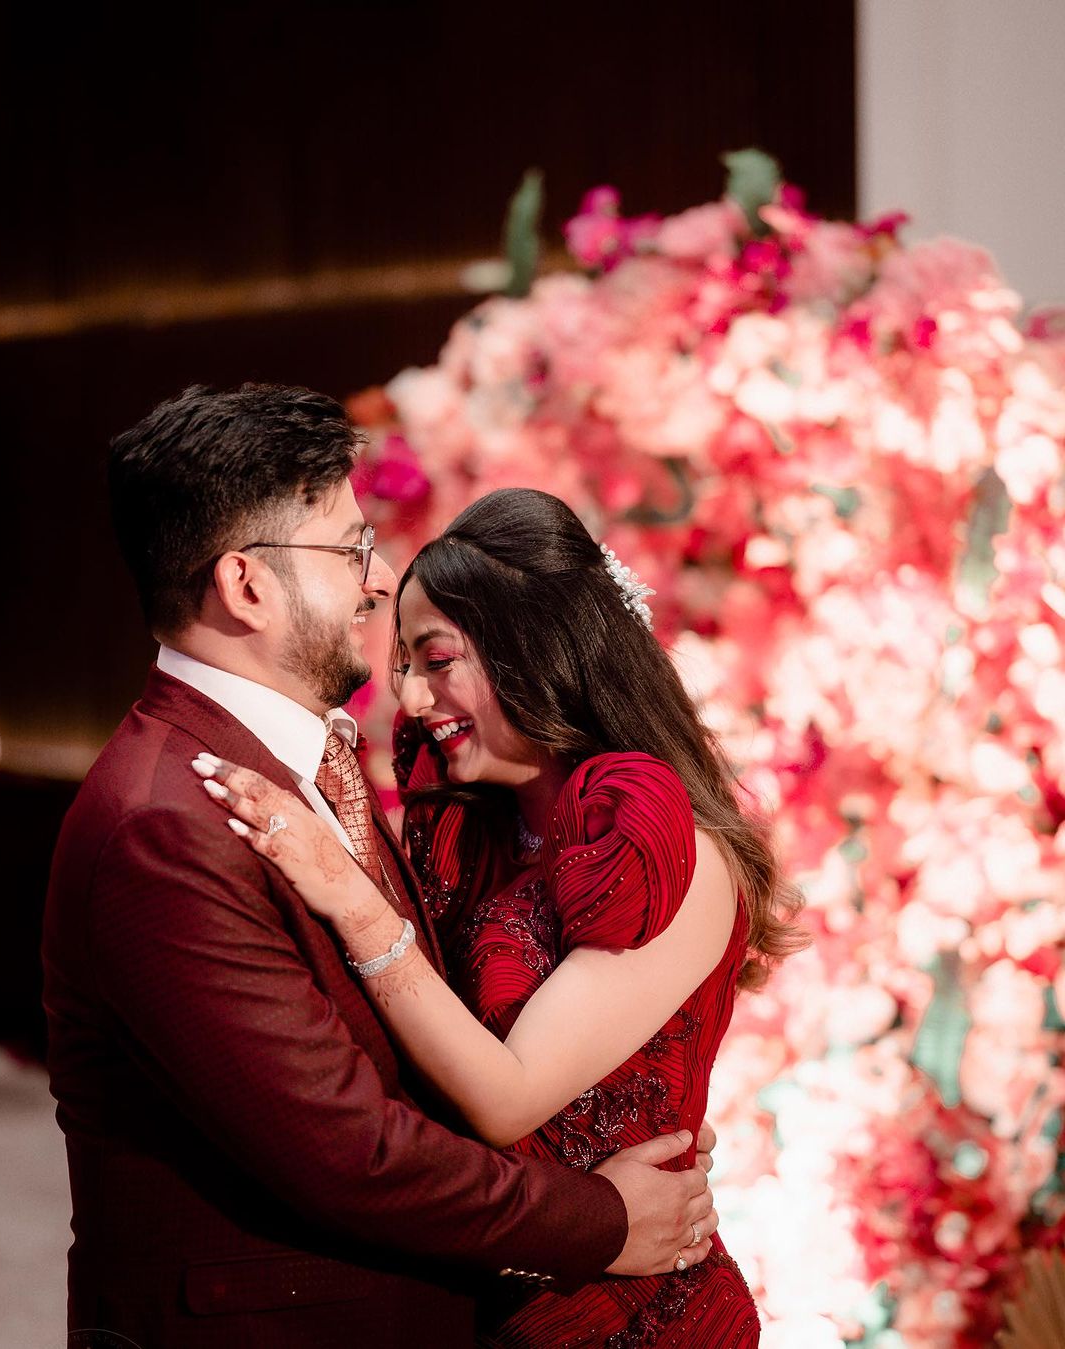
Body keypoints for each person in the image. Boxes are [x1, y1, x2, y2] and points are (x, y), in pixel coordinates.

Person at [42, 387, 719, 1349]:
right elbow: (348, 1149)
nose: (382, 575)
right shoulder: (167, 823)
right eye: (350, 546)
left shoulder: (304, 759)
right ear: (247, 586)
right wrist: (602, 1219)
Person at [197, 486, 808, 1346]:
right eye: (406, 664)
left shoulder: (670, 851)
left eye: (437, 659)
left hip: (628, 1315)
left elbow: (506, 1096)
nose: (412, 699)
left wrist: (348, 895)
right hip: (489, 1282)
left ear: (537, 649)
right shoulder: (476, 830)